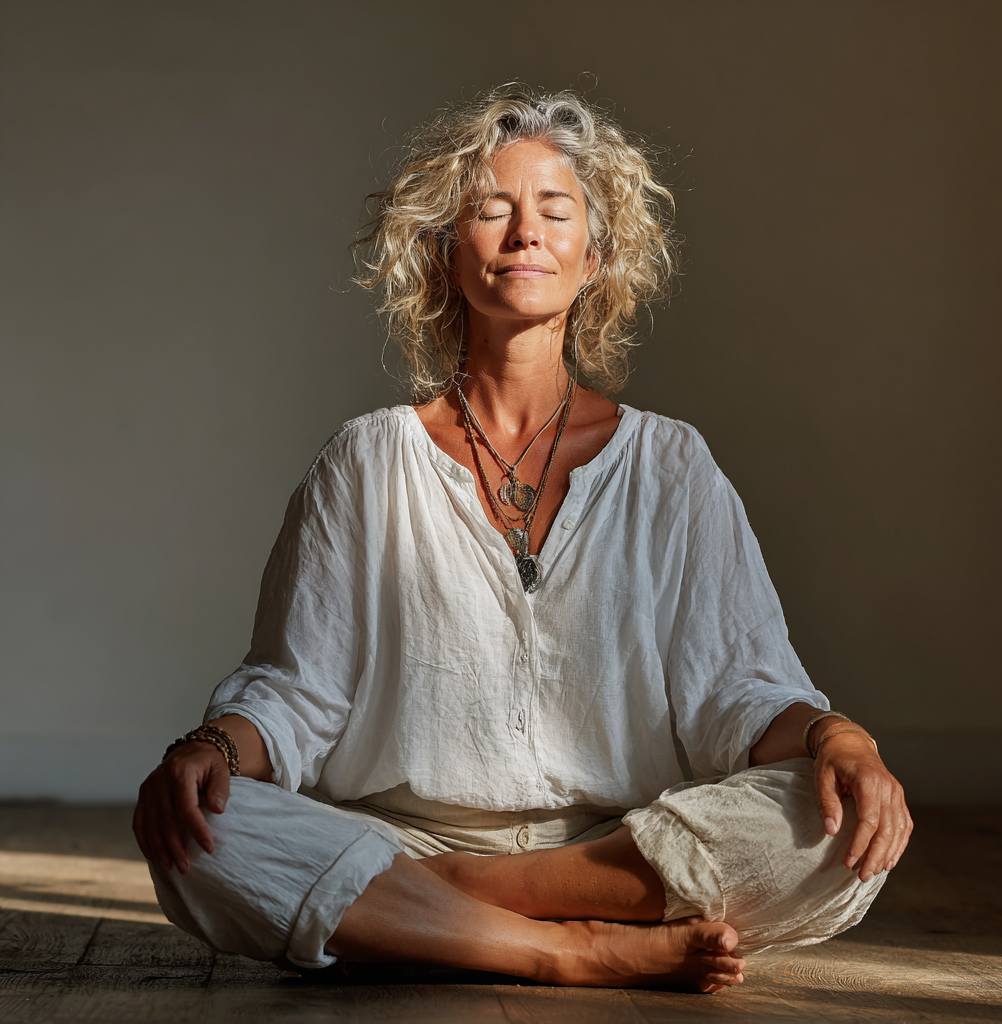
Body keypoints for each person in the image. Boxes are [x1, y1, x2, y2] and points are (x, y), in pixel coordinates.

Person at [133, 85, 912, 990]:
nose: (524, 233)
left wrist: (837, 736)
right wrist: (211, 751)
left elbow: (737, 688)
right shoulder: (367, 460)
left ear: (596, 255)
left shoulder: (671, 465)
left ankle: (438, 907)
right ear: (442, 252)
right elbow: (295, 691)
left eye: (555, 210)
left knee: (828, 823)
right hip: (401, 833)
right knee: (205, 832)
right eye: (490, 210)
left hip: (623, 842)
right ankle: (569, 946)